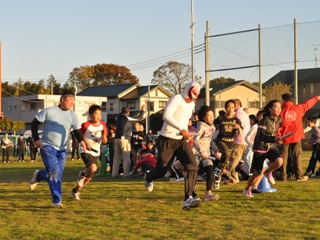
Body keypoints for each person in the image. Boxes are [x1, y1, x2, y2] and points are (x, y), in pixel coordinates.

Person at [144, 81, 202, 210]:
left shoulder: (191, 104)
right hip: (167, 139)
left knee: (192, 166)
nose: (190, 100)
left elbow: (183, 119)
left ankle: (189, 198)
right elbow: (166, 116)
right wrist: (181, 128)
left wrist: (187, 131)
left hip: (181, 141)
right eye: (190, 96)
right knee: (162, 170)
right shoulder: (177, 99)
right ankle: (149, 176)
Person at [29, 90, 88, 208]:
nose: (72, 103)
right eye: (70, 100)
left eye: (73, 101)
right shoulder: (50, 111)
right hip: (47, 146)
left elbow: (76, 131)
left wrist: (82, 140)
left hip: (62, 149)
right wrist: (36, 139)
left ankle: (39, 175)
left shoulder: (73, 115)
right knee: (55, 174)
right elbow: (34, 123)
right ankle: (56, 201)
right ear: (62, 99)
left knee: (57, 175)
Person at [243, 100, 283, 198]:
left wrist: (278, 139)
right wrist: (274, 138)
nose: (279, 109)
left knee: (279, 161)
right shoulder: (264, 121)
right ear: (270, 109)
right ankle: (248, 188)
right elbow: (261, 137)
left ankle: (268, 172)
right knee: (256, 174)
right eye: (276, 107)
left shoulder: (279, 120)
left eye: (280, 107)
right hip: (260, 148)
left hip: (271, 146)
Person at [278, 94, 320, 181]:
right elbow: (307, 103)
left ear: (283, 101)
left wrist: (278, 136)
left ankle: (283, 176)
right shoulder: (298, 108)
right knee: (297, 155)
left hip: (284, 136)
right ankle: (299, 176)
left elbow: (278, 125)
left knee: (283, 156)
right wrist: (316, 98)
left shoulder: (281, 111)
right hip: (296, 136)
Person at [70, 104, 108, 201]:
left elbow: (105, 141)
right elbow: (79, 136)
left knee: (89, 178)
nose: (99, 117)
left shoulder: (103, 125)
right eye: (96, 114)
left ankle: (75, 191)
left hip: (96, 152)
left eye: (100, 114)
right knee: (92, 167)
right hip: (86, 150)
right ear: (91, 115)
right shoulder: (86, 125)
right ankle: (82, 174)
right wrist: (86, 143)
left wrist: (104, 135)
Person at [213, 100, 242, 189]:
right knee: (225, 153)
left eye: (232, 107)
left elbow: (240, 132)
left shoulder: (236, 120)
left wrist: (238, 128)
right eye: (228, 107)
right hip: (221, 140)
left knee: (224, 163)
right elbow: (213, 127)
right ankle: (218, 173)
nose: (230, 109)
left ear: (234, 109)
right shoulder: (221, 118)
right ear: (225, 108)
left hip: (231, 142)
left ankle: (217, 176)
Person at [193, 105, 220, 201]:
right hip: (197, 153)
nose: (211, 117)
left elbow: (210, 140)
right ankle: (191, 193)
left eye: (212, 115)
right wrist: (201, 152)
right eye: (209, 115)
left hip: (206, 153)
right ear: (203, 117)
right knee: (194, 173)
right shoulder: (201, 127)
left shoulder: (212, 127)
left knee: (210, 170)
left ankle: (208, 193)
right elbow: (195, 141)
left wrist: (215, 148)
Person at [112, 105, 145, 178]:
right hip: (124, 138)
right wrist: (142, 110)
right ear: (128, 112)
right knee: (126, 157)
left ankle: (114, 174)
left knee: (117, 157)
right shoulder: (127, 118)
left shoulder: (117, 118)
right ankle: (125, 174)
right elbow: (139, 118)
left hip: (116, 138)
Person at [226, 99, 250, 185]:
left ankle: (233, 179)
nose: (231, 108)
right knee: (237, 160)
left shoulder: (238, 114)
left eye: (232, 106)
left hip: (239, 140)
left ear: (238, 105)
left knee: (233, 160)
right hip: (245, 140)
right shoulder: (244, 114)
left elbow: (238, 126)